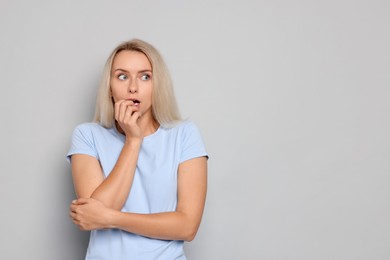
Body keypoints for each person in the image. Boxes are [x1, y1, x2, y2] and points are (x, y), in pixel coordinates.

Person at [67, 39, 208, 260]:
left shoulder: (184, 134)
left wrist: (112, 218)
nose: (133, 87)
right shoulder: (87, 136)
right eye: (122, 76)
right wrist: (133, 140)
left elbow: (187, 227)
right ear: (110, 87)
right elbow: (93, 217)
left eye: (145, 76)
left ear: (157, 85)